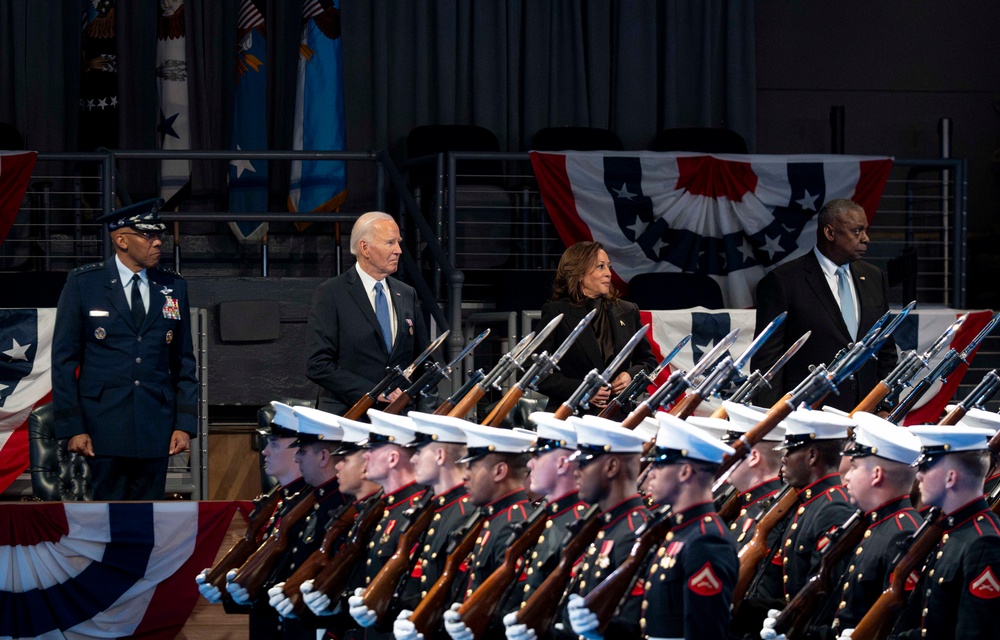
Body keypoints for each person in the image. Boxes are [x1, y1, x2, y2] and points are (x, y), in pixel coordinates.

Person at [52, 198, 198, 500]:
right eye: (148, 235)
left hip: (155, 425)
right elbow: (64, 361)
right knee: (106, 523)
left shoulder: (173, 287)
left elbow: (184, 362)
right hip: (102, 427)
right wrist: (73, 427)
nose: (158, 242)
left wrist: (184, 424)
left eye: (159, 235)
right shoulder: (85, 284)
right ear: (121, 240)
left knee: (148, 521)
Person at [751, 198, 897, 413]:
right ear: (830, 233)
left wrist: (886, 405)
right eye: (857, 231)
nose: (866, 239)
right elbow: (768, 362)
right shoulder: (783, 281)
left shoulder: (874, 277)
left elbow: (886, 349)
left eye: (865, 230)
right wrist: (771, 421)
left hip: (867, 415)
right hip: (807, 416)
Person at [734, 409, 855, 637]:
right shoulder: (808, 504)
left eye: (789, 450)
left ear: (812, 456)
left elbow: (824, 597)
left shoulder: (832, 509)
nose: (783, 458)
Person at [197, 401, 311, 640]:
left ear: (298, 450)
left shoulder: (311, 504)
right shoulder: (280, 501)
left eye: (274, 443)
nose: (265, 451)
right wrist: (233, 589)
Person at [882, 424, 1000, 640]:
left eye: (926, 467)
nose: (919, 476)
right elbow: (936, 630)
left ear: (950, 477)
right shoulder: (953, 531)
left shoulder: (983, 543)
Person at [306, 211, 430, 415]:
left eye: (398, 242)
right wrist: (372, 392)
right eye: (390, 243)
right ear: (365, 248)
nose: (398, 250)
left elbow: (424, 362)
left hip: (398, 420)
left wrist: (425, 415)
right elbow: (317, 364)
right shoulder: (331, 293)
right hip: (348, 416)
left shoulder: (407, 294)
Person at [631, 412, 738, 640]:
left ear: (685, 471)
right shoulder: (677, 531)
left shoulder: (706, 541)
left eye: (658, 465)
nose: (650, 475)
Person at [557, 415, 650, 640]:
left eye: (585, 462)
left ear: (611, 466)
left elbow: (632, 626)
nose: (576, 470)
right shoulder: (607, 526)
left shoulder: (635, 533)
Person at [535, 241, 655, 414]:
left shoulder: (627, 311)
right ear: (579, 274)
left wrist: (631, 376)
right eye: (600, 267)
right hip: (572, 415)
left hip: (619, 416)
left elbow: (648, 362)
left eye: (609, 267)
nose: (608, 273)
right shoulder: (557, 312)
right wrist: (581, 390)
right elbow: (534, 373)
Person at [721, 401, 786, 547]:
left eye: (731, 451)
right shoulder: (749, 507)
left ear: (754, 458)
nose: (723, 457)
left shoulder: (772, 516)